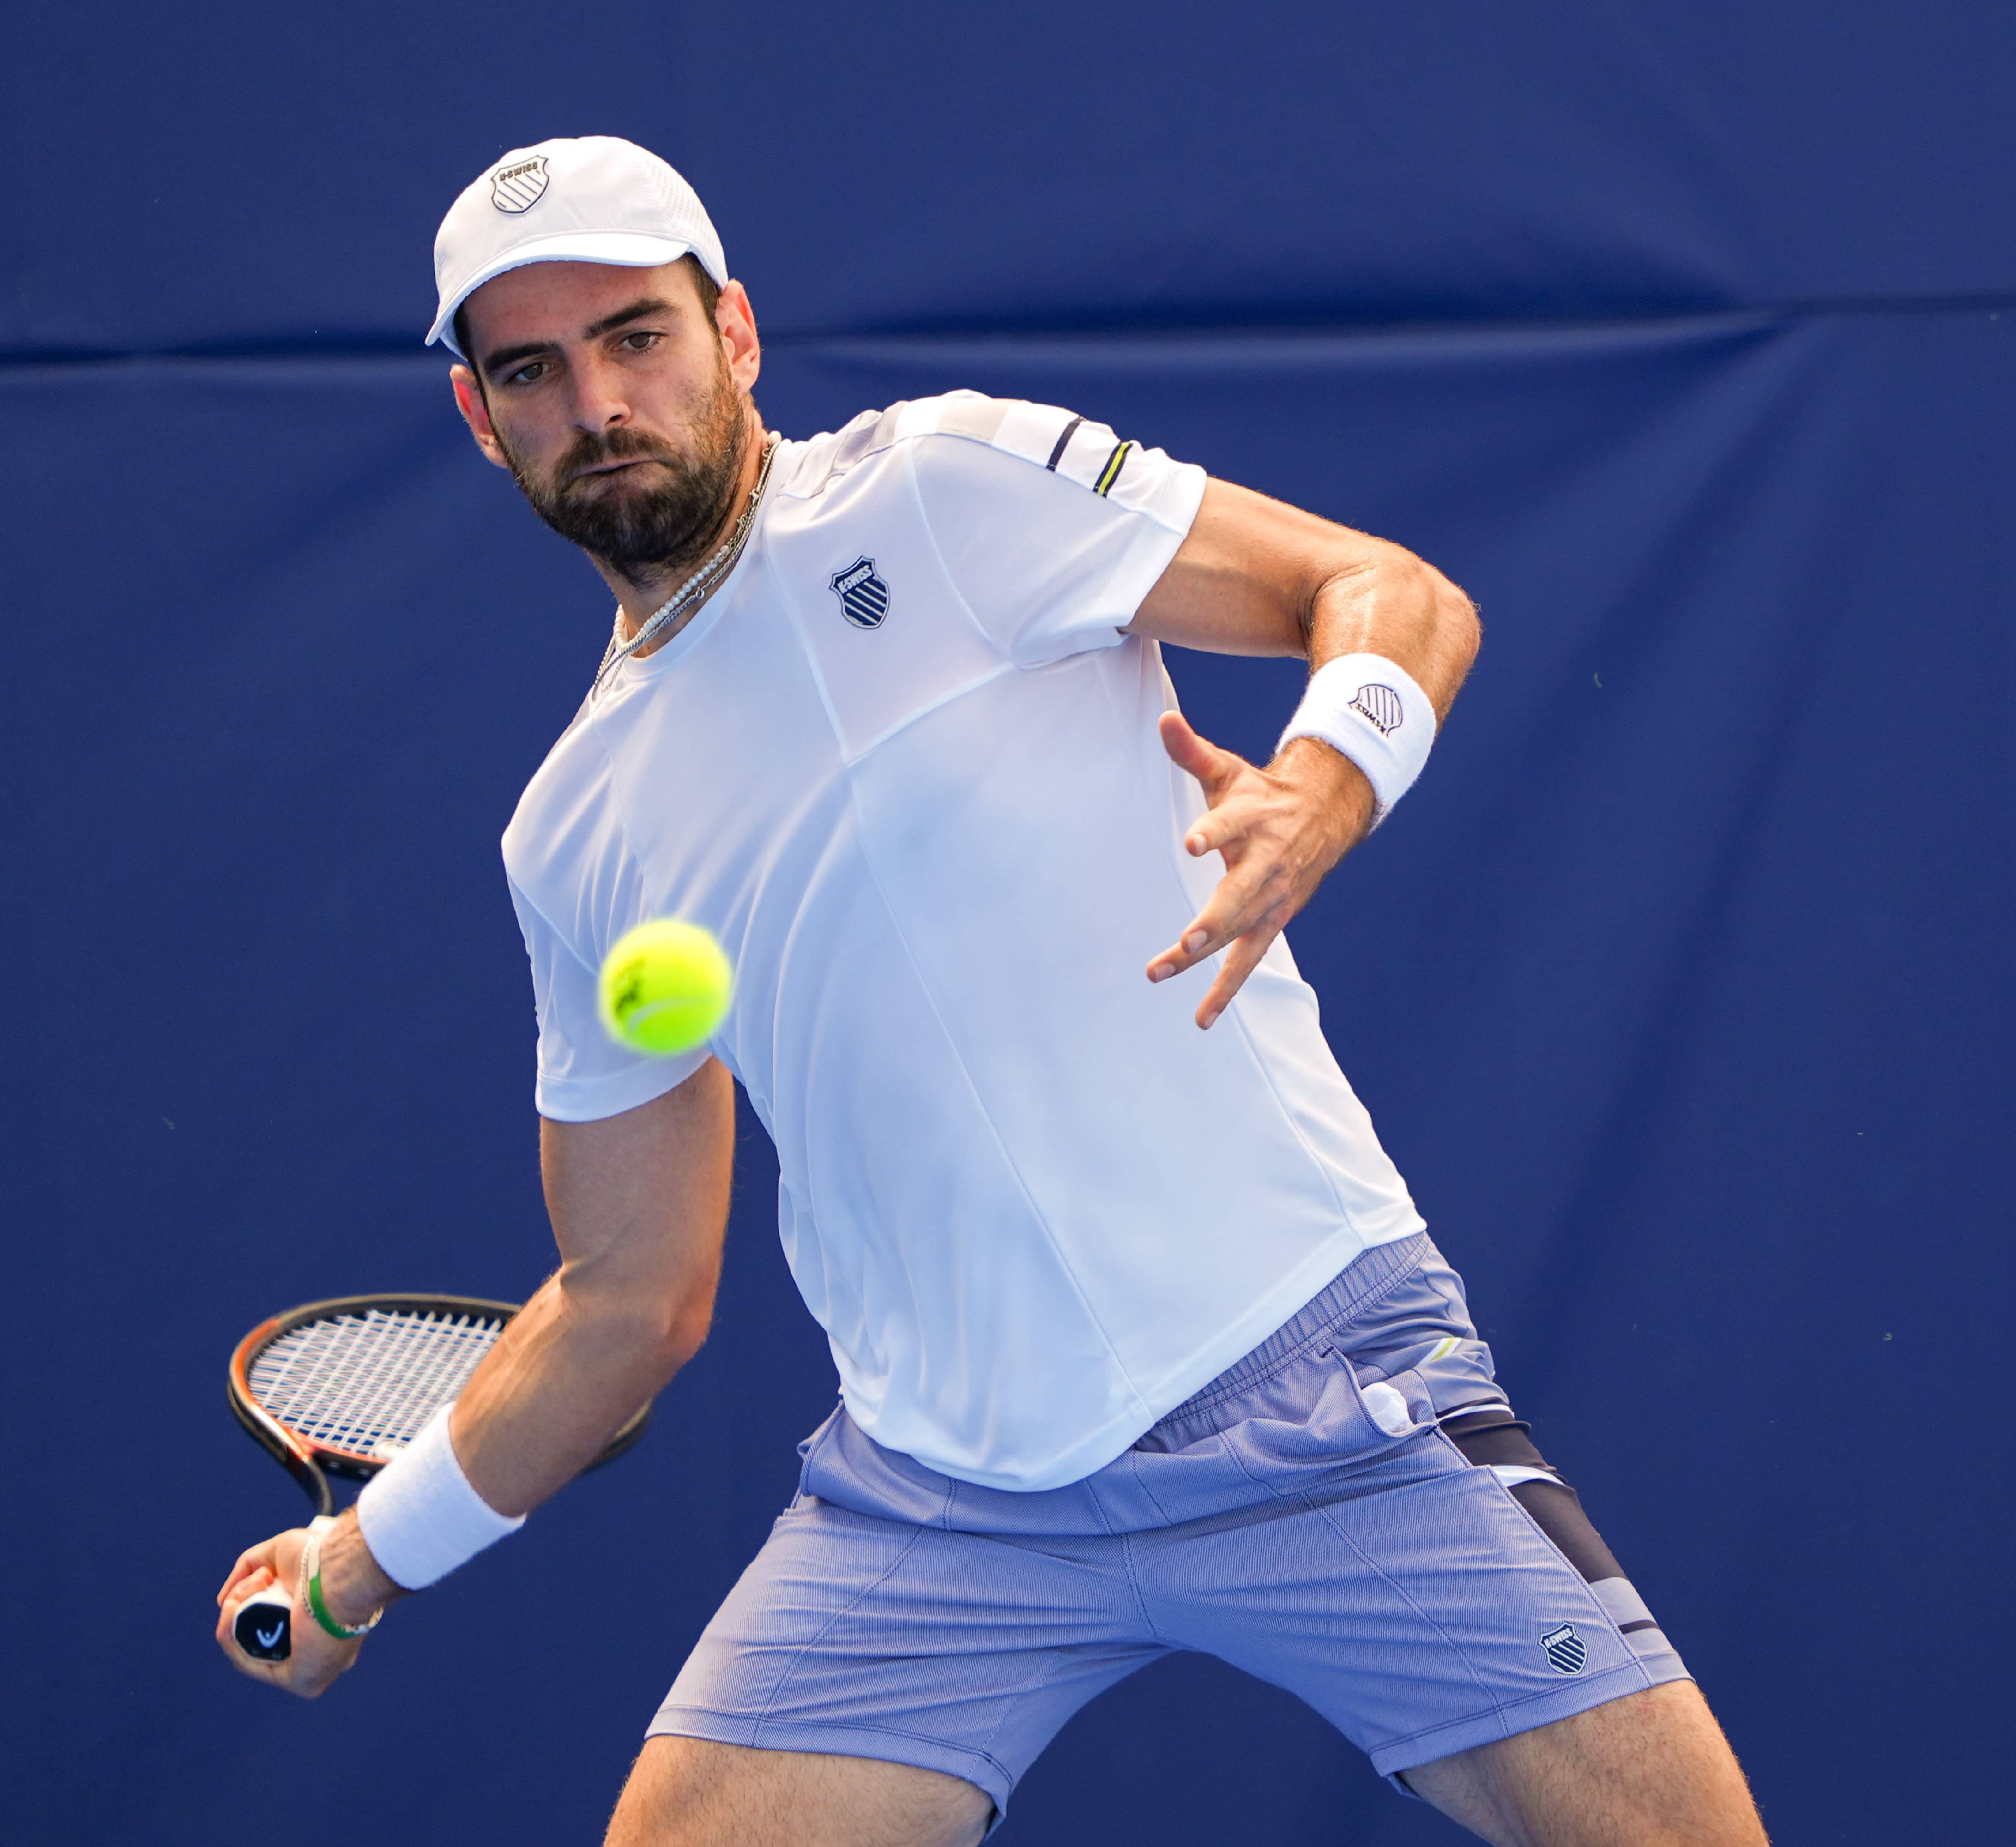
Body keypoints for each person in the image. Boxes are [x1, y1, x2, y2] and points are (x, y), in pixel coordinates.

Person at [215, 136, 1767, 1847]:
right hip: (938, 1511)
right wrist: (359, 1565)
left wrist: (1327, 780)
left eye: (636, 335)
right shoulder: (573, 836)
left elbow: (1390, 595)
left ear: (734, 333)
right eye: (533, 368)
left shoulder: (946, 488)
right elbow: (624, 1299)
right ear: (482, 419)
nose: (598, 400)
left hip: (1320, 1392)